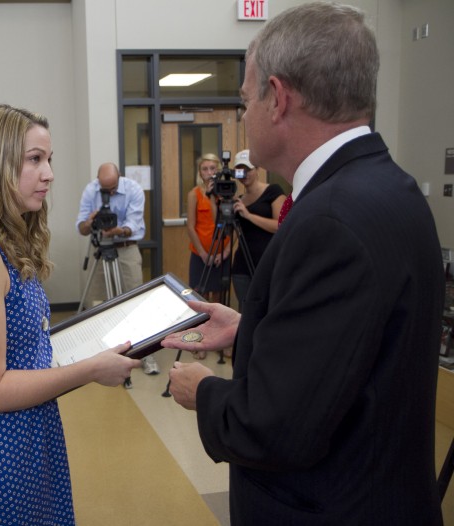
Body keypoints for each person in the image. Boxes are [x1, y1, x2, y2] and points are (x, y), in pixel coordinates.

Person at [161, 3, 445, 525]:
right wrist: (251, 331)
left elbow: (274, 427)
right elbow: (348, 352)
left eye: (245, 100)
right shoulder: (391, 190)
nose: (244, 115)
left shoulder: (329, 221)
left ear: (279, 98)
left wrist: (201, 392)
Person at [0, 104, 140, 525]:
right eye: (34, 159)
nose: (49, 174)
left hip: (23, 433)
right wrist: (89, 369)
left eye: (49, 159)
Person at [76, 161, 159, 379]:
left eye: (113, 189)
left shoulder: (133, 189)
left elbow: (133, 223)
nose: (110, 193)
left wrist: (118, 230)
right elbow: (81, 228)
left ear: (119, 177)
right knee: (97, 303)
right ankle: (102, 355)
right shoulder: (90, 190)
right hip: (100, 249)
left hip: (126, 248)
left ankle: (145, 354)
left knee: (136, 302)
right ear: (98, 181)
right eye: (105, 190)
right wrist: (90, 222)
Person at [230, 149, 285, 310]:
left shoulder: (273, 191)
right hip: (242, 265)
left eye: (248, 169)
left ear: (258, 169)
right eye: (240, 171)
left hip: (267, 262)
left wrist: (248, 215)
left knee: (268, 310)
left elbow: (279, 226)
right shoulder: (238, 200)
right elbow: (233, 233)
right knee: (245, 310)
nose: (245, 174)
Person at [186, 153, 232, 303]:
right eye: (204, 169)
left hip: (221, 254)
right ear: (200, 172)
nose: (209, 173)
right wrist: (203, 253)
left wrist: (225, 252)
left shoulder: (227, 192)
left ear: (218, 170)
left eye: (212, 168)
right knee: (200, 296)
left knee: (219, 298)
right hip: (201, 255)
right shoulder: (194, 194)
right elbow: (191, 226)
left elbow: (233, 224)